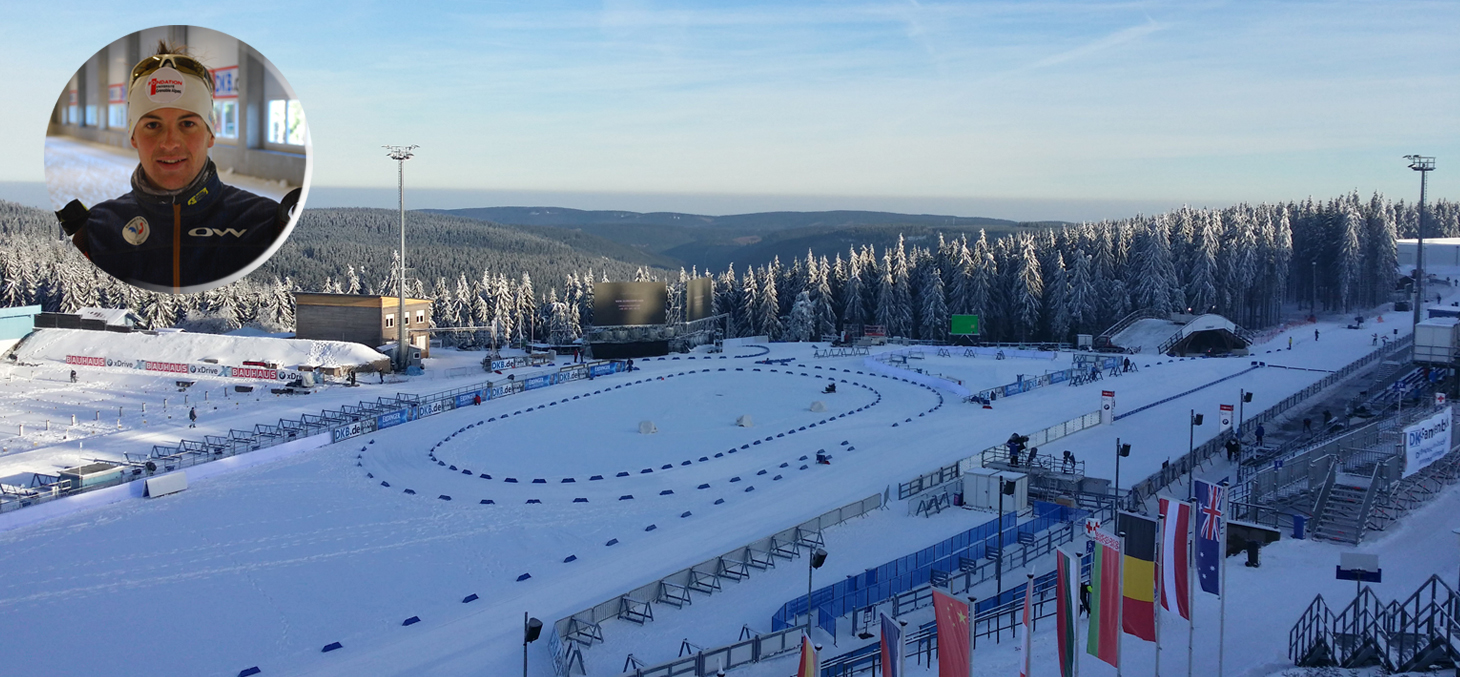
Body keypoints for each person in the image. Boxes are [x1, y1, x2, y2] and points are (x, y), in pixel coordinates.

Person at [54, 44, 300, 292]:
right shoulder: (96, 233)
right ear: (132, 136)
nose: (170, 143)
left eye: (188, 123)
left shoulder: (266, 224)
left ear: (210, 133)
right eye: (152, 125)